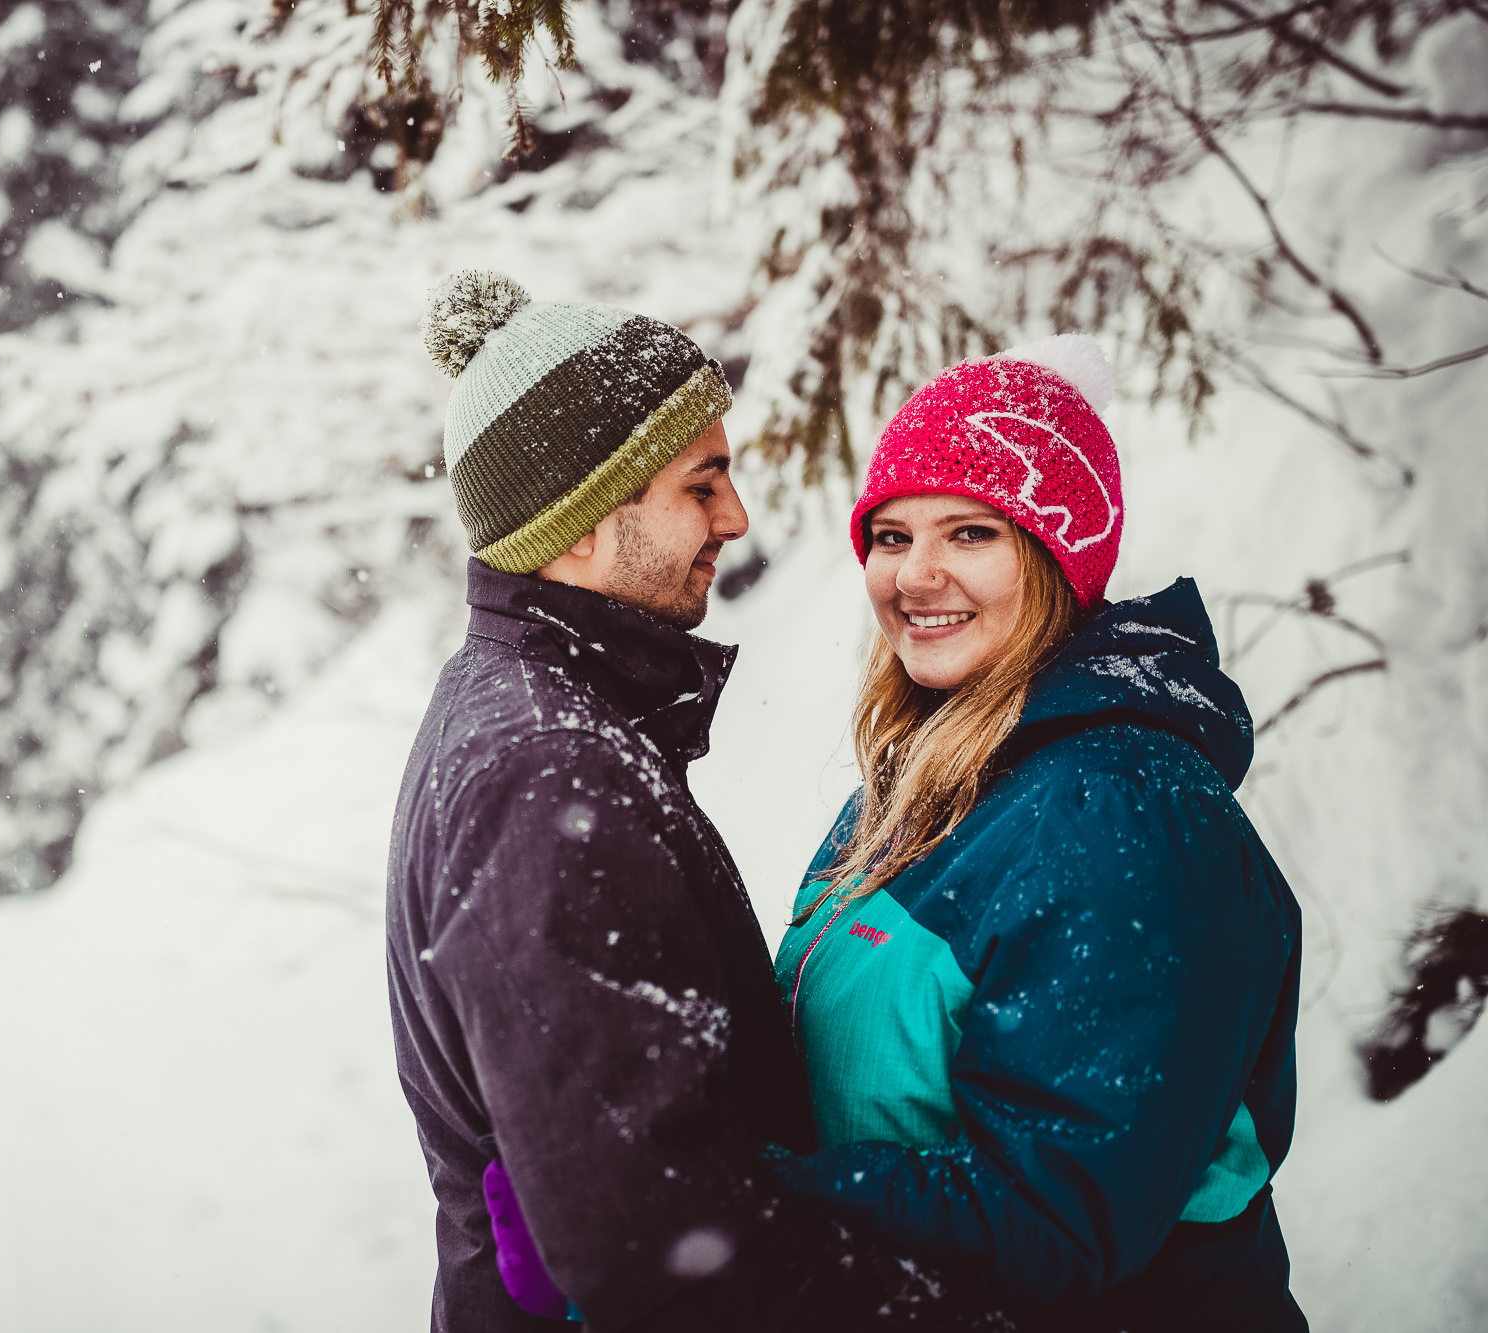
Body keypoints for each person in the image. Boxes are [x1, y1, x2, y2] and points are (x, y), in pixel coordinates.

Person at [386, 271, 1007, 1331]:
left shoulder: (528, 715)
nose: (736, 514)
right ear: (577, 521)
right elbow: (653, 1233)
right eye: (699, 482)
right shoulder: (546, 768)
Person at [770, 336, 1306, 1330]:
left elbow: (1050, 1222)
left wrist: (728, 1200)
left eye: (968, 532)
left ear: (1059, 556)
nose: (914, 575)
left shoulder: (1126, 812)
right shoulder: (927, 775)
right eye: (889, 536)